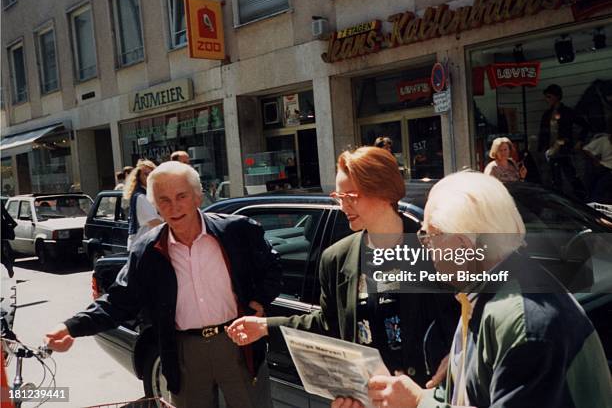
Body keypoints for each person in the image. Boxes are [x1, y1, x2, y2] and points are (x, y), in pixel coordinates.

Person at [335, 171, 611, 408]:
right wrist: (416, 398)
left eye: (430, 236)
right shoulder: (484, 295)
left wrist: (419, 402)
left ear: (464, 247)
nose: (425, 247)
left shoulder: (523, 321)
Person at [44, 161, 282, 408]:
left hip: (237, 344)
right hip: (183, 353)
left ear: (198, 197)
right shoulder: (147, 250)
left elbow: (272, 267)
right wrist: (70, 327)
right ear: (155, 206)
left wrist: (260, 300)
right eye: (164, 200)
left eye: (181, 196)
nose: (174, 207)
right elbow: (119, 300)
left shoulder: (235, 231)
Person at [227, 146, 458, 388]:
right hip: (370, 397)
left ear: (385, 192)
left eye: (351, 197)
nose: (343, 206)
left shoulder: (435, 250)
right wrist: (266, 326)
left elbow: (469, 314)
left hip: (429, 393)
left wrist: (455, 357)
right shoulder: (336, 259)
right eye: (339, 197)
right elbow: (328, 324)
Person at [538, 84, 588, 198]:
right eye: (546, 97)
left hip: (565, 149)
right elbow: (543, 133)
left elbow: (585, 125)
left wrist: (580, 141)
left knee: (571, 175)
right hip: (551, 151)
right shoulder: (546, 114)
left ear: (556, 97)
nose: (547, 100)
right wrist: (541, 150)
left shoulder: (567, 112)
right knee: (555, 179)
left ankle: (582, 198)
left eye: (549, 97)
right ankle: (560, 201)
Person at [123, 159, 162, 251]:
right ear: (139, 177)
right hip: (141, 247)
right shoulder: (140, 197)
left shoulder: (151, 194)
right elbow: (154, 222)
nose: (149, 177)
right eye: (145, 174)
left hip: (148, 245)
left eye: (151, 174)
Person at [583, 133, 612, 203]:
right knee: (596, 191)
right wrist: (595, 161)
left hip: (606, 170)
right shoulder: (604, 140)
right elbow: (586, 149)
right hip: (604, 169)